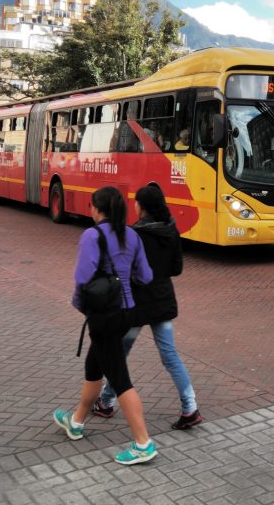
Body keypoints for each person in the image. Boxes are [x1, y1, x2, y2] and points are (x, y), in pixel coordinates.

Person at [53, 186, 158, 465]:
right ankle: (75, 422)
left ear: (96, 209)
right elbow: (145, 276)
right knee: (94, 366)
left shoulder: (92, 235)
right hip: (125, 314)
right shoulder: (132, 235)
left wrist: (80, 306)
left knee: (120, 380)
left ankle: (143, 443)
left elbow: (83, 278)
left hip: (103, 316)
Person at [92, 185, 202, 430]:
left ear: (141, 206)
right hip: (162, 302)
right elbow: (176, 269)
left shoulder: (135, 234)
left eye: (136, 202)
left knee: (119, 354)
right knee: (170, 355)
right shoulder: (171, 230)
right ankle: (190, 407)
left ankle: (107, 401)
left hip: (136, 305)